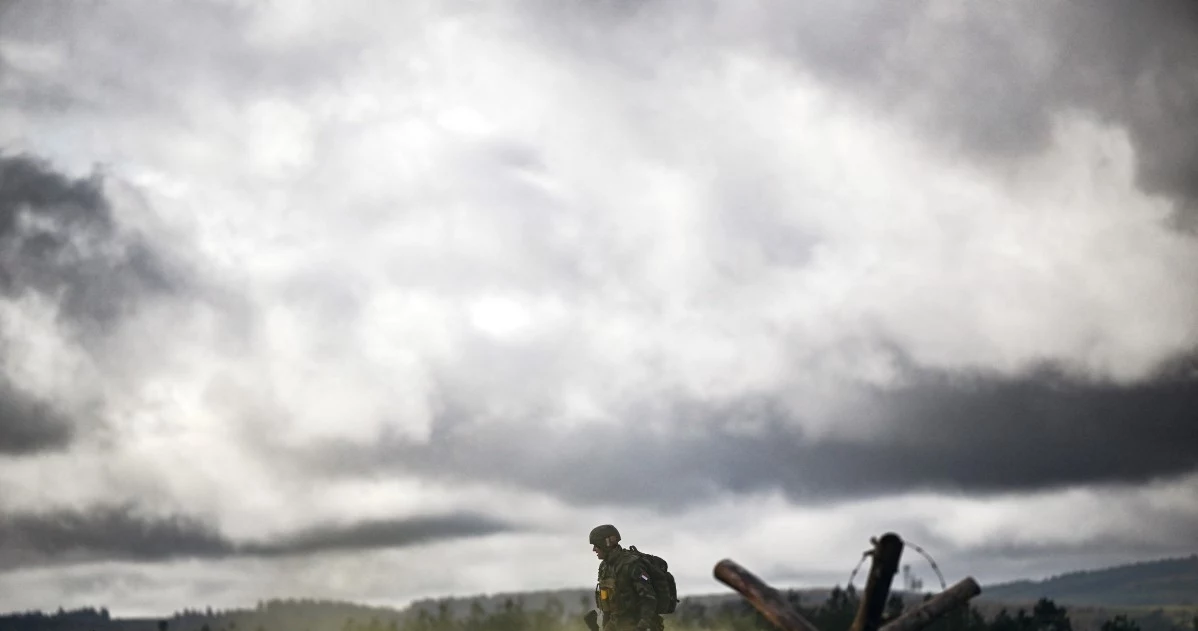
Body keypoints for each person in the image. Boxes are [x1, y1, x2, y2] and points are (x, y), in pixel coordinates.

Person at [590, 524, 664, 631]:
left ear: (606, 543)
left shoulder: (632, 565)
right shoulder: (604, 567)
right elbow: (607, 604)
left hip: (637, 623)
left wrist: (642, 627)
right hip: (616, 622)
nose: (594, 549)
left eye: (596, 545)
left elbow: (649, 598)